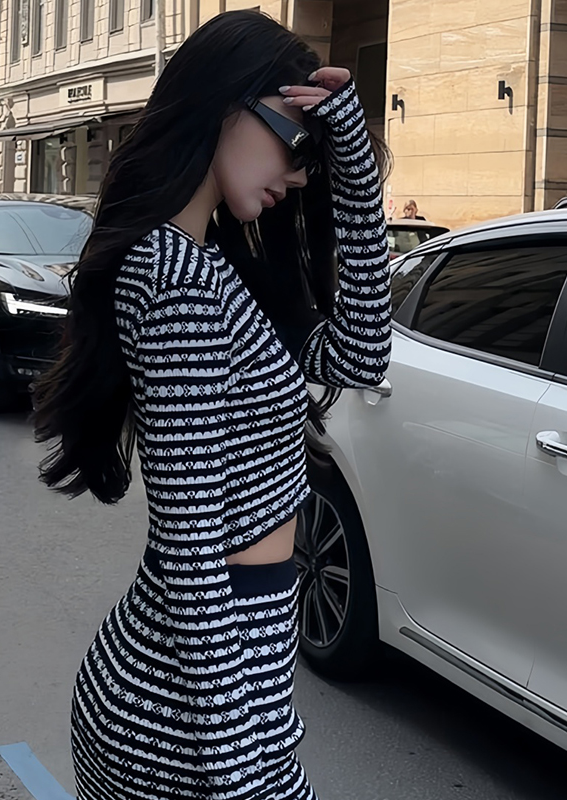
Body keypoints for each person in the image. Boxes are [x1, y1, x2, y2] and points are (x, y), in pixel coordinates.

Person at [33, 10, 391, 800]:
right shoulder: (178, 282)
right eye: (296, 148)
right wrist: (237, 773)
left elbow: (360, 355)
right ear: (229, 105)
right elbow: (192, 549)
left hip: (211, 697)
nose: (298, 178)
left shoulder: (215, 263)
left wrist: (354, 168)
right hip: (182, 724)